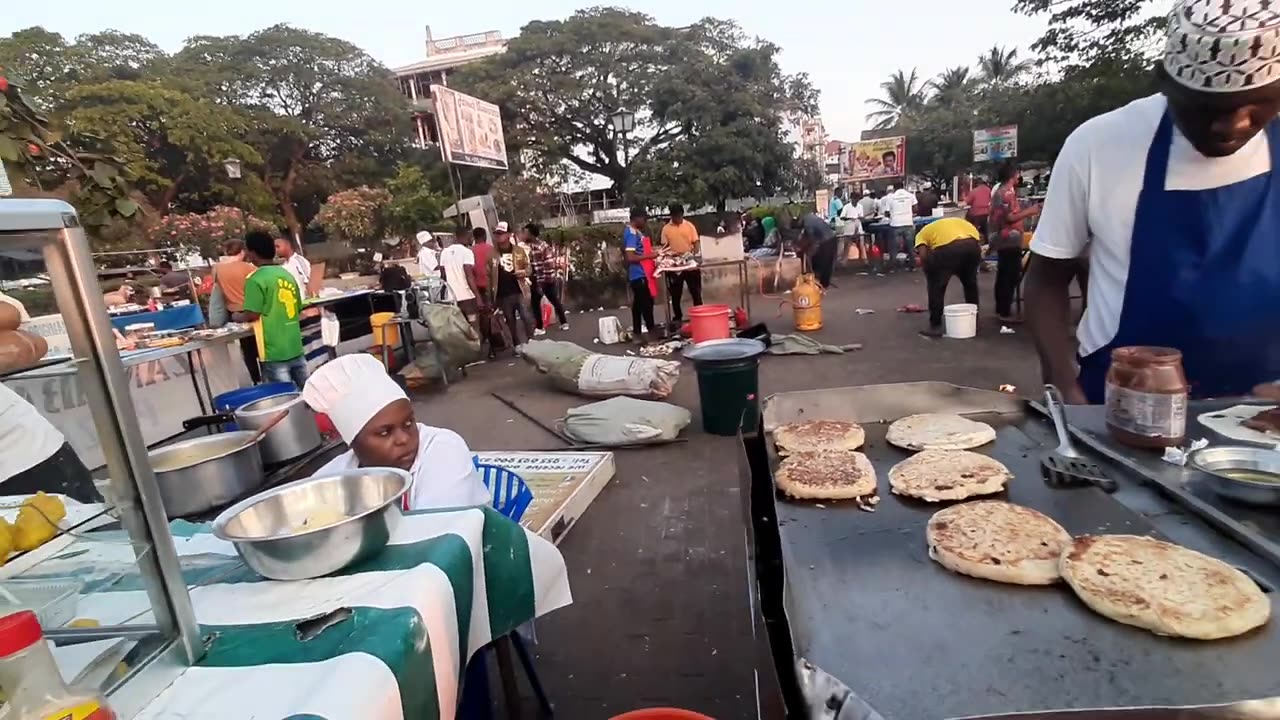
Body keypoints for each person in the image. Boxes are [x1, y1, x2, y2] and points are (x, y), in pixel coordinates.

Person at [1027, 0, 1280, 404]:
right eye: (1204, 108)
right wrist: (1063, 383)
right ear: (1165, 82)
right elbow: (1045, 279)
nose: (1231, 125)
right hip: (1118, 410)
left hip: (1264, 421)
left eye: (1259, 103)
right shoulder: (1101, 145)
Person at [302, 354, 489, 510]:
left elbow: (435, 535)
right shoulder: (335, 478)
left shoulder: (443, 450)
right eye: (385, 433)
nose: (404, 439)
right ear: (352, 443)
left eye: (408, 423)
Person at [237, 230, 307, 388]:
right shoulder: (286, 274)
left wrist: (237, 317)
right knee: (309, 394)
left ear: (253, 253)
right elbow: (297, 308)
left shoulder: (255, 279)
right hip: (295, 345)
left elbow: (253, 314)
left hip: (272, 351)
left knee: (285, 399)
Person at [990, 160, 1042, 323]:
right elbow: (1009, 217)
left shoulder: (1001, 191)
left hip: (1006, 237)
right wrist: (1030, 212)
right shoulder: (1006, 193)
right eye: (1018, 173)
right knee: (1009, 275)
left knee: (1004, 274)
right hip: (1009, 238)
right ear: (1013, 175)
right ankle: (1004, 312)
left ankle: (1002, 309)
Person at [915, 217, 983, 337]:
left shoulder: (921, 233)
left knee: (936, 287)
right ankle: (974, 322)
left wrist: (929, 271)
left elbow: (923, 256)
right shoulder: (960, 222)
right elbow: (979, 240)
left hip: (948, 250)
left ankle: (935, 325)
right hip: (972, 246)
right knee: (970, 285)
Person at [211, 239, 261, 382]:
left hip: (234, 313)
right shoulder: (249, 268)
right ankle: (266, 378)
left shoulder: (217, 268)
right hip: (253, 311)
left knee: (247, 350)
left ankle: (255, 379)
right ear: (243, 251)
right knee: (261, 347)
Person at [489, 222, 534, 352]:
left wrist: (524, 273)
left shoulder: (519, 251)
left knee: (526, 317)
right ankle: (517, 344)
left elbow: (529, 268)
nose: (499, 236)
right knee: (510, 320)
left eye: (502, 233)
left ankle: (531, 342)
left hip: (519, 290)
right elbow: (488, 276)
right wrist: (490, 297)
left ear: (509, 235)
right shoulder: (492, 254)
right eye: (497, 233)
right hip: (503, 293)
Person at [660, 203, 703, 325]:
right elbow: (664, 246)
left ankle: (699, 313)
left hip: (689, 260)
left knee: (695, 290)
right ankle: (677, 317)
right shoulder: (666, 229)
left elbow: (696, 242)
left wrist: (694, 253)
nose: (677, 219)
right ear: (671, 216)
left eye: (679, 216)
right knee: (675, 293)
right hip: (675, 264)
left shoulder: (689, 226)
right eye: (674, 216)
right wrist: (671, 257)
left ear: (682, 215)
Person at [623, 207, 659, 341]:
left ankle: (637, 333)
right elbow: (630, 257)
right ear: (636, 218)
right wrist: (650, 256)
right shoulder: (632, 233)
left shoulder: (636, 232)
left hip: (641, 273)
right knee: (646, 304)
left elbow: (640, 251)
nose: (645, 222)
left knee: (638, 305)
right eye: (644, 219)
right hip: (639, 274)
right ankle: (651, 331)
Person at [525, 223, 569, 334]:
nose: (524, 234)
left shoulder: (539, 247)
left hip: (543, 279)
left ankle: (542, 327)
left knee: (542, 302)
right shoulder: (536, 246)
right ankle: (562, 323)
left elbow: (548, 264)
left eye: (526, 232)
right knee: (548, 301)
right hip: (542, 279)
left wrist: (541, 282)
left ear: (531, 234)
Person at [439, 230, 480, 331]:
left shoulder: (444, 252)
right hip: (467, 297)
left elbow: (443, 276)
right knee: (473, 327)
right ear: (466, 236)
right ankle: (476, 346)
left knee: (459, 329)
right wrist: (478, 296)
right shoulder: (467, 252)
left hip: (452, 298)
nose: (472, 239)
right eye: (471, 237)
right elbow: (469, 276)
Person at [799, 211, 838, 288]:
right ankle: (824, 282)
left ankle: (821, 283)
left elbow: (811, 238)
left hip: (826, 240)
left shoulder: (807, 223)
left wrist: (808, 249)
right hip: (832, 238)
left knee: (823, 262)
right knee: (828, 262)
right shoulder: (811, 217)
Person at [884, 185, 918, 270]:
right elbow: (916, 208)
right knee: (910, 246)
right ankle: (912, 265)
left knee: (894, 247)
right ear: (904, 187)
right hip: (908, 223)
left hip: (895, 224)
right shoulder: (910, 195)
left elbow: (887, 213)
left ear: (894, 188)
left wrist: (893, 215)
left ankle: (892, 266)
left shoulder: (891, 197)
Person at [837, 195, 865, 264]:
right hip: (849, 226)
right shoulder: (847, 206)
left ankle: (864, 260)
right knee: (847, 245)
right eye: (854, 199)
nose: (856, 200)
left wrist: (857, 219)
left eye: (857, 199)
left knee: (861, 244)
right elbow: (842, 217)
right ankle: (844, 261)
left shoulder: (860, 206)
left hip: (858, 225)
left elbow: (861, 216)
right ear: (851, 199)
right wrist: (850, 218)